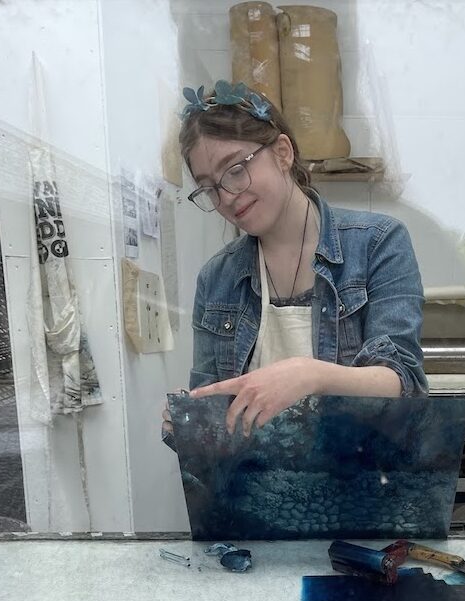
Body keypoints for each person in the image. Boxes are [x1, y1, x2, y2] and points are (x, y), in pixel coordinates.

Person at [164, 80, 427, 441]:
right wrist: (191, 425)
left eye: (235, 170)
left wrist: (308, 375)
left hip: (361, 479)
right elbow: (216, 414)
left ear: (283, 152)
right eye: (209, 187)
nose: (226, 198)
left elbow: (403, 382)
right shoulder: (217, 278)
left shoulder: (378, 243)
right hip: (261, 490)